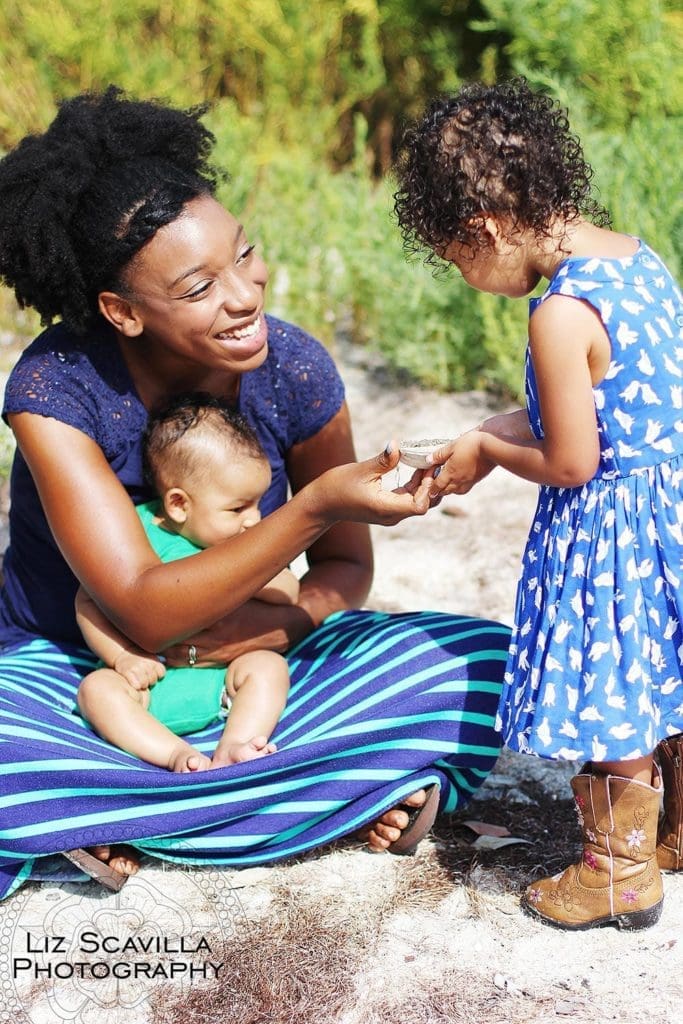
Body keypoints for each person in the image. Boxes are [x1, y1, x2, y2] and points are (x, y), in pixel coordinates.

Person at [0, 86, 511, 897]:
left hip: (256, 676)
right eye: (198, 288)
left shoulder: (296, 369)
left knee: (481, 660)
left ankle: (112, 816)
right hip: (80, 669)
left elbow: (345, 570)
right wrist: (313, 505)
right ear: (120, 312)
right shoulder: (57, 392)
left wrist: (270, 631)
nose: (244, 294)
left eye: (242, 254)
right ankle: (335, 793)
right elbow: (140, 607)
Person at [393, 77, 683, 931]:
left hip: (610, 530)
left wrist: (487, 449)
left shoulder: (558, 314)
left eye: (457, 261)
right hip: (667, 505)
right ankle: (674, 831)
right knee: (665, 664)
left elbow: (568, 458)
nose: (469, 278)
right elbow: (615, 405)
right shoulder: (636, 256)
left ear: (481, 229)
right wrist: (485, 429)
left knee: (615, 687)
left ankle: (618, 872)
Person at [76, 392, 297, 772]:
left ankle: (236, 745)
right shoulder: (135, 531)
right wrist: (122, 657)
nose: (254, 519)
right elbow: (87, 602)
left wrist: (254, 571)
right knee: (96, 691)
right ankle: (176, 755)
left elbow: (290, 593)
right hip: (145, 686)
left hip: (220, 679)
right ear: (179, 504)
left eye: (258, 504)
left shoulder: (245, 545)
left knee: (267, 665)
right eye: (238, 508)